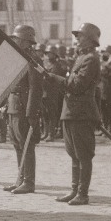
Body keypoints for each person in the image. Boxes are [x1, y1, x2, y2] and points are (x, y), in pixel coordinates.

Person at [44, 23, 102, 205]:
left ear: (91, 39)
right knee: (74, 153)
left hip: (82, 113)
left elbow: (77, 85)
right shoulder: (82, 58)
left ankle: (82, 194)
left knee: (83, 154)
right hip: (71, 111)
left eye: (80, 36)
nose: (77, 38)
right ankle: (75, 190)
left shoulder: (91, 59)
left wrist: (53, 78)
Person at [3, 25, 42, 194]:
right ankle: (20, 178)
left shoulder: (32, 59)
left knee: (27, 144)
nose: (14, 41)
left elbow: (35, 88)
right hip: (13, 104)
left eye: (17, 38)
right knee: (17, 144)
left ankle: (28, 181)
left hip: (23, 105)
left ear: (26, 41)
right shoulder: (17, 57)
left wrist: (31, 112)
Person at [40, 47, 66, 142]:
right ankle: (45, 133)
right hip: (44, 91)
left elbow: (52, 78)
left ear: (55, 55)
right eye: (47, 53)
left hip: (52, 92)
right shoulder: (46, 64)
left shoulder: (57, 65)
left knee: (51, 114)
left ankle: (51, 134)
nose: (47, 55)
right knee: (44, 114)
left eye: (50, 53)